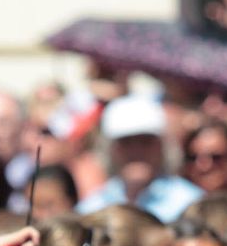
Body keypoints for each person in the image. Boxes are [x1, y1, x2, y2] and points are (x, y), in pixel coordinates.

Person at [77, 95, 204, 223]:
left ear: (162, 146)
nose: (136, 151)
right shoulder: (91, 210)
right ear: (110, 149)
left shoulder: (191, 204)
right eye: (126, 142)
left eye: (145, 141)